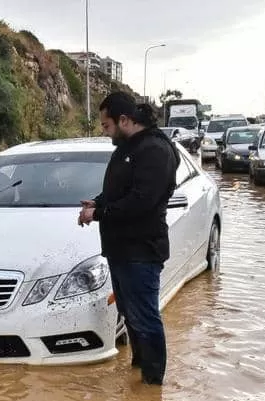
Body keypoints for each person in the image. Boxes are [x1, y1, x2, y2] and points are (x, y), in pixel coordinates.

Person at [78, 92, 180, 385]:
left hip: (141, 250)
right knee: (130, 314)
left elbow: (140, 202)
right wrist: (96, 204)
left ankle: (152, 388)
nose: (104, 131)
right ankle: (138, 369)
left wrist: (98, 213)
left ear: (124, 120)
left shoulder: (155, 150)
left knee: (145, 317)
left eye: (106, 125)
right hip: (121, 249)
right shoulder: (128, 147)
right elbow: (116, 193)